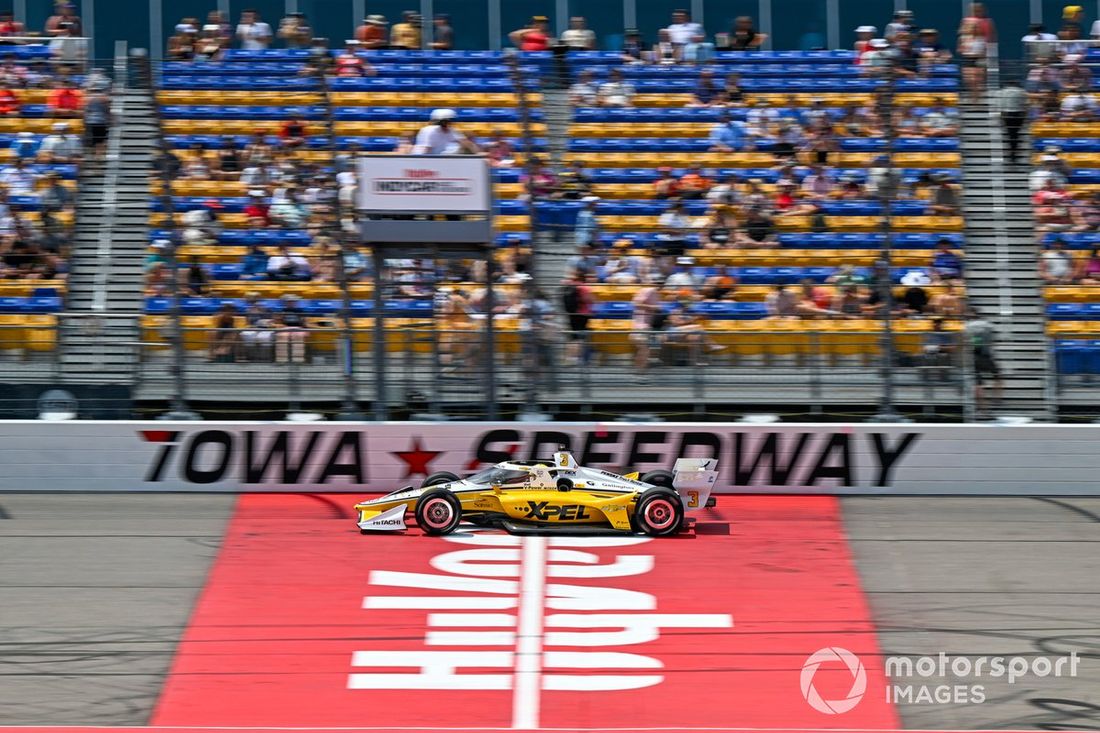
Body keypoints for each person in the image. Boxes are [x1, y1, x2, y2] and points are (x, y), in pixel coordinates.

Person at [965, 308, 1001, 417]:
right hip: (985, 355)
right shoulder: (987, 325)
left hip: (974, 357)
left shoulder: (968, 326)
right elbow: (992, 340)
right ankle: (997, 398)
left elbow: (968, 342)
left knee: (978, 384)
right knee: (998, 376)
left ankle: (982, 409)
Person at [412, 108, 480, 155]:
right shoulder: (428, 131)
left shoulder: (451, 130)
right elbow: (425, 150)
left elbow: (467, 143)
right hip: (423, 162)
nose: (448, 124)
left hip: (440, 161)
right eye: (444, 122)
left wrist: (477, 154)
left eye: (449, 122)